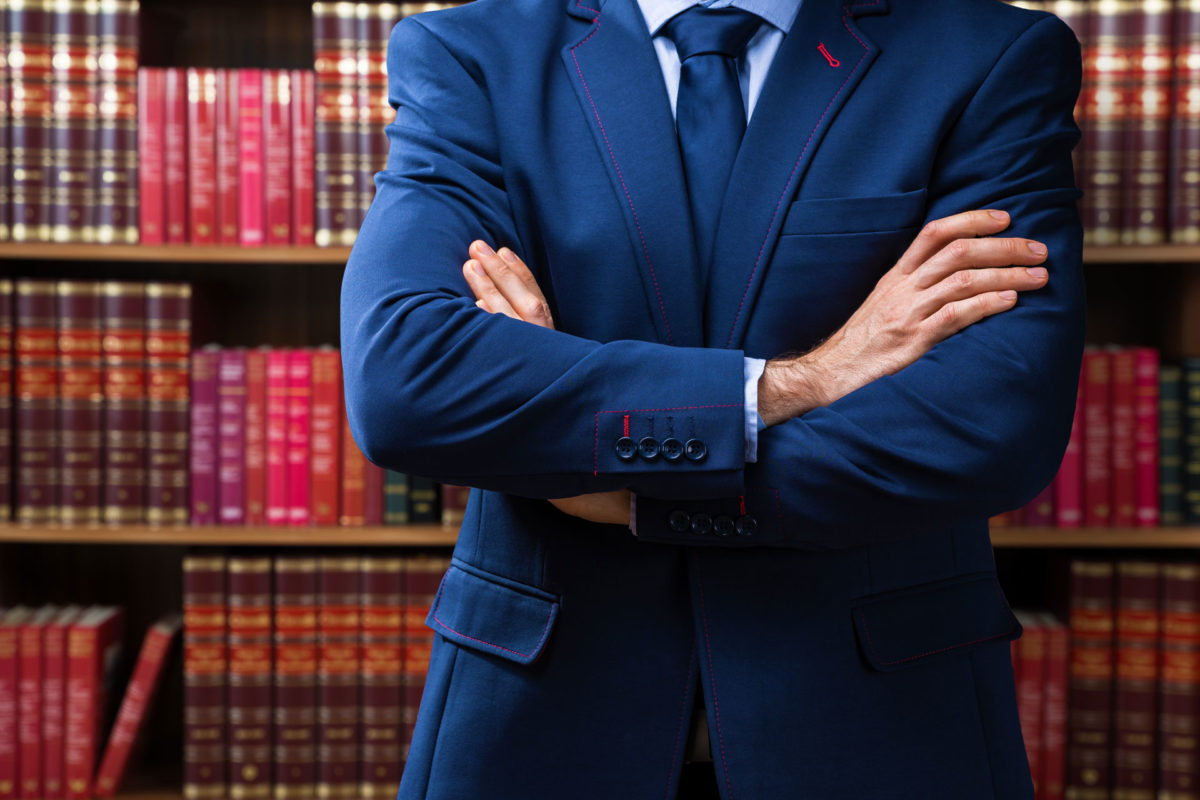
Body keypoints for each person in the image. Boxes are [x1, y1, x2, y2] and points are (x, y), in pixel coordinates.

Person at [339, 0, 1085, 795]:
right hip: (539, 721)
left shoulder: (990, 55)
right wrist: (806, 378)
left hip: (880, 724)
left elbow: (991, 420)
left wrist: (625, 490)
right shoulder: (470, 53)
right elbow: (406, 380)